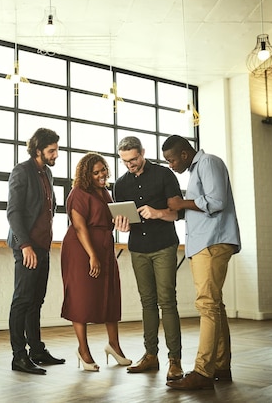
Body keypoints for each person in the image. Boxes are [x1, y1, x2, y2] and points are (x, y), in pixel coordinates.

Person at [161, 135, 241, 390]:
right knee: (214, 304)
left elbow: (217, 203)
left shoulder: (208, 163)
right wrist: (173, 211)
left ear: (185, 154)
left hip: (212, 242)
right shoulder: (197, 170)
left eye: (172, 159)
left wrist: (182, 203)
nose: (171, 165)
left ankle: (202, 372)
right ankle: (220, 365)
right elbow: (200, 208)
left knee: (207, 304)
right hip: (204, 242)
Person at [113, 136, 184, 381]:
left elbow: (177, 213)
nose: (130, 165)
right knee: (147, 302)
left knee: (167, 302)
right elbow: (122, 219)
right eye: (125, 161)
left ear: (143, 152)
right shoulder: (120, 185)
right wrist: (121, 225)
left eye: (134, 159)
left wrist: (158, 212)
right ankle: (150, 355)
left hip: (164, 245)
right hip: (138, 247)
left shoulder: (164, 175)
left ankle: (174, 360)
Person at [60, 152, 132, 372]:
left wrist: (123, 221)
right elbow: (80, 227)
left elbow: (109, 219)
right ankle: (83, 350)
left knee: (110, 295)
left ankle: (114, 346)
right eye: (96, 172)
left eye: (103, 170)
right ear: (86, 174)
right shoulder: (78, 193)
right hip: (81, 248)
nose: (102, 175)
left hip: (104, 247)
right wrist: (92, 255)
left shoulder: (104, 192)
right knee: (81, 298)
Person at [7, 127, 65, 375]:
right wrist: (25, 245)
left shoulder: (47, 173)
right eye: (52, 150)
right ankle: (19, 356)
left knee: (36, 300)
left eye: (56, 149)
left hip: (43, 246)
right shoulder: (22, 171)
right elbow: (14, 212)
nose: (56, 154)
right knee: (22, 301)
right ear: (38, 150)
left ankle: (37, 351)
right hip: (27, 247)